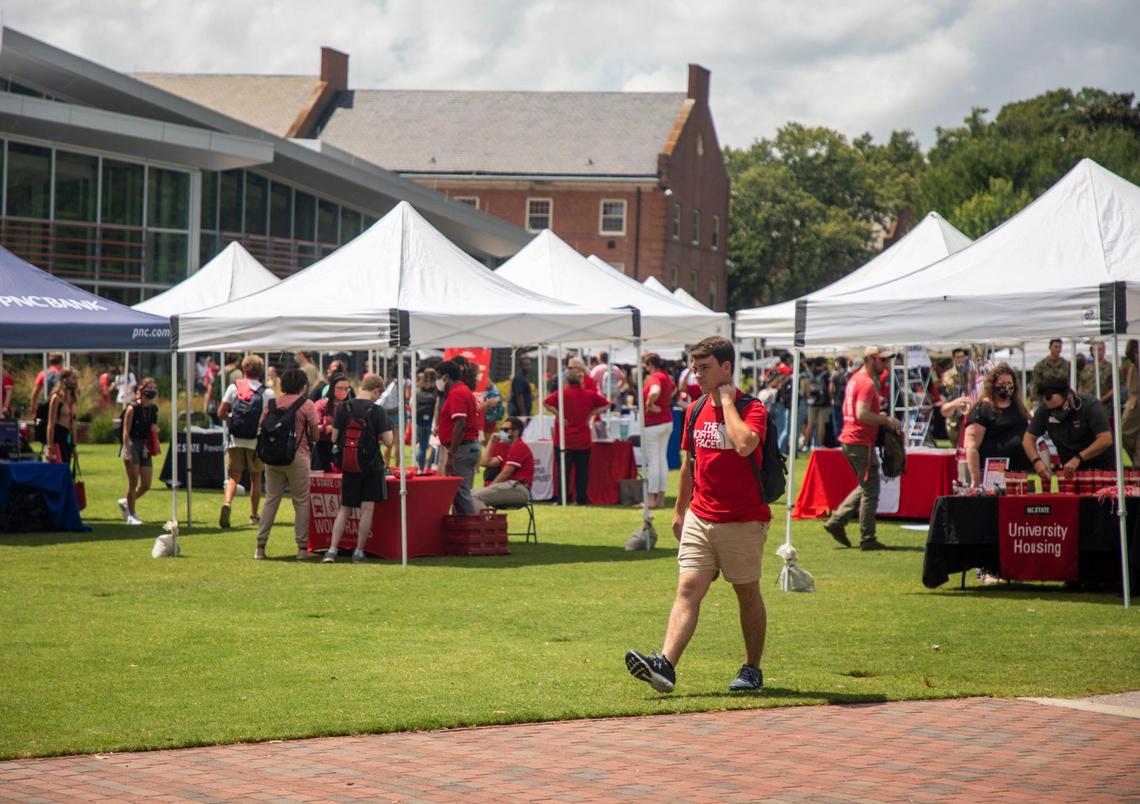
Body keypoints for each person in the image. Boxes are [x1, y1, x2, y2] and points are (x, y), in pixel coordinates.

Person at [625, 336, 770, 694]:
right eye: (695, 367)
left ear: (726, 368)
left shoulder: (753, 408)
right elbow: (690, 462)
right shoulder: (693, 409)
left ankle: (752, 669)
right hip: (700, 516)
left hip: (743, 518)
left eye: (705, 368)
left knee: (746, 592)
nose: (697, 375)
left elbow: (743, 443)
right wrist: (679, 511)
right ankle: (666, 666)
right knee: (688, 587)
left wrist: (726, 403)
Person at [823, 347, 900, 551]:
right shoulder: (866, 382)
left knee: (866, 486)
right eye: (882, 361)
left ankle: (837, 521)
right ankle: (868, 538)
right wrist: (887, 419)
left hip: (852, 439)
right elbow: (862, 414)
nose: (885, 365)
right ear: (871, 359)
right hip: (860, 441)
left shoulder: (856, 378)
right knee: (870, 490)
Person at [322, 373, 393, 563]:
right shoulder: (377, 411)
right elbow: (388, 442)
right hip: (371, 464)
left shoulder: (344, 407)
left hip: (349, 463)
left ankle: (332, 550)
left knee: (344, 508)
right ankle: (359, 551)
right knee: (367, 509)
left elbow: (335, 437)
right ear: (376, 390)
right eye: (380, 394)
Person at [255, 368, 321, 560]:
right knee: (301, 501)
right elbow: (315, 434)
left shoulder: (272, 403)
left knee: (271, 500)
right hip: (298, 456)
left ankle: (260, 547)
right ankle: (302, 548)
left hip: (273, 457)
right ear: (302, 385)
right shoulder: (307, 404)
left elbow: (262, 425)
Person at [1023, 377, 1114, 488]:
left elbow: (1105, 439)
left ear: (1069, 396)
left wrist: (1079, 458)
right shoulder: (1044, 411)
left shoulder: (1090, 406)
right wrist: (1037, 461)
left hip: (1100, 470)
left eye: (1059, 408)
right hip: (1069, 473)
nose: (1055, 413)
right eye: (1052, 410)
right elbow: (1028, 438)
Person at [218, 355, 274, 528]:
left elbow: (221, 413)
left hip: (235, 439)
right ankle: (254, 515)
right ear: (260, 371)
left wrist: (232, 420)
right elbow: (270, 419)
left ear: (244, 370)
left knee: (234, 476)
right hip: (256, 441)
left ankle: (227, 503)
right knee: (256, 478)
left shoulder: (233, 388)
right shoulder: (267, 392)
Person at [543, 369, 610, 505]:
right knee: (582, 472)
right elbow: (607, 404)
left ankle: (563, 499)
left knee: (564, 472)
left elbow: (546, 403)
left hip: (564, 439)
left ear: (567, 381)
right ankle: (581, 499)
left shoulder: (562, 394)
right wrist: (592, 413)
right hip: (583, 440)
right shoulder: (589, 394)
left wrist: (559, 414)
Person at [964, 363, 1032, 486]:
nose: (1006, 387)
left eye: (1009, 383)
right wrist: (976, 480)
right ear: (992, 385)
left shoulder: (1018, 407)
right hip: (992, 474)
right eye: (1001, 384)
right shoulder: (982, 409)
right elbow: (971, 447)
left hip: (1018, 473)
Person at [437, 360, 482, 514]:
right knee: (459, 494)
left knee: (461, 493)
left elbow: (460, 424)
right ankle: (464, 532)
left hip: (462, 449)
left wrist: (452, 454)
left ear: (446, 377)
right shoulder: (462, 390)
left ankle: (473, 530)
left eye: (438, 376)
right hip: (466, 447)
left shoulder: (457, 393)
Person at [117, 377, 159, 526]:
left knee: (146, 484)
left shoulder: (153, 409)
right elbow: (125, 431)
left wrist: (155, 433)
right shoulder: (132, 407)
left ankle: (126, 502)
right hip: (133, 443)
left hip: (145, 445)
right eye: (149, 388)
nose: (152, 392)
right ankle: (131, 515)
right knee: (133, 480)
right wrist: (126, 449)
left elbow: (153, 425)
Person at [473, 417, 535, 510]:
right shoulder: (508, 449)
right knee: (466, 495)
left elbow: (505, 473)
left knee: (474, 497)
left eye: (505, 430)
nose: (502, 433)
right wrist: (491, 441)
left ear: (516, 432)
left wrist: (489, 488)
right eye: (501, 430)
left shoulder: (519, 446)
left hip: (518, 489)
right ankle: (473, 522)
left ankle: (486, 523)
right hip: (509, 487)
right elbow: (485, 462)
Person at [642, 353, 676, 510]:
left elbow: (654, 390)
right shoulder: (666, 376)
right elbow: (673, 390)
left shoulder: (654, 377)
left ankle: (651, 498)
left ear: (650, 364)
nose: (644, 367)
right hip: (667, 421)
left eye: (645, 364)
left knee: (654, 461)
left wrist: (650, 403)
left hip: (653, 423)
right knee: (662, 460)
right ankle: (661, 498)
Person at [312, 373, 350, 471]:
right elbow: (314, 428)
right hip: (323, 449)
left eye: (346, 389)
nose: (344, 391)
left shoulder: (350, 406)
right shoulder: (321, 404)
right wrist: (330, 428)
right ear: (332, 388)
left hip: (345, 449)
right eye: (340, 388)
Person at [44, 367, 79, 466]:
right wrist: (50, 447)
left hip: (68, 436)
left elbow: (73, 423)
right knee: (59, 467)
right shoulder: (57, 398)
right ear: (65, 379)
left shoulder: (73, 398)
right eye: (73, 378)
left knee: (67, 466)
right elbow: (51, 424)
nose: (75, 382)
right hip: (58, 435)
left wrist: (74, 446)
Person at [803, 356, 831, 449]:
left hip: (812, 401)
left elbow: (806, 387)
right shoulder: (826, 374)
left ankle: (806, 444)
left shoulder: (810, 374)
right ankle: (819, 444)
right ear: (823, 364)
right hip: (824, 402)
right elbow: (829, 388)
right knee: (821, 424)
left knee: (810, 424)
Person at [1030, 338, 1070, 403]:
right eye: (1056, 347)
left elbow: (1068, 382)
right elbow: (1034, 382)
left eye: (1060, 347)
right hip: (1045, 400)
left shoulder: (1066, 365)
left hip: (1062, 400)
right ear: (1050, 347)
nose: (1058, 349)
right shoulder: (1041, 365)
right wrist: (1034, 399)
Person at [415, 369, 439, 472]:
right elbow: (437, 408)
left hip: (419, 421)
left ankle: (421, 469)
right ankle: (428, 468)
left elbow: (412, 405)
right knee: (434, 447)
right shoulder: (437, 391)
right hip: (432, 422)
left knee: (422, 447)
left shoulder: (418, 389)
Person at [1121, 340, 1140, 462]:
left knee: (1125, 431)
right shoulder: (1134, 363)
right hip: (1133, 401)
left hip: (1136, 402)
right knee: (1125, 433)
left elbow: (1131, 354)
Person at [1077, 341, 1113, 406]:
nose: (1097, 352)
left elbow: (1114, 388)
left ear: (1104, 350)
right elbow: (1081, 385)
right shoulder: (1087, 367)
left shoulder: (1110, 367)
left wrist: (1102, 400)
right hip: (1087, 404)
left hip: (1103, 405)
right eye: (1094, 350)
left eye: (1100, 350)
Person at [829, 356, 849, 444]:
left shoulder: (835, 374)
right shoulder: (849, 373)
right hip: (847, 402)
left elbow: (831, 388)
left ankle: (838, 442)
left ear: (838, 363)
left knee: (837, 423)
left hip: (837, 401)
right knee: (845, 422)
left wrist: (832, 398)